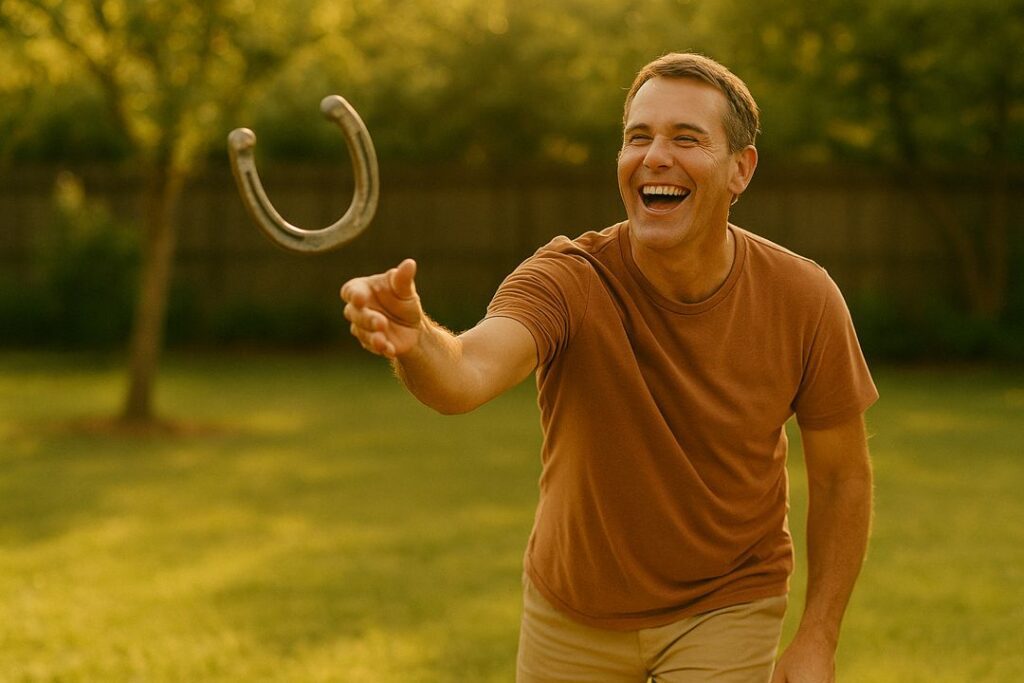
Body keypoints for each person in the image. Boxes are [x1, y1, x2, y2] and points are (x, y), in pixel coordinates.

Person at [341, 52, 877, 683]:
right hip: (572, 608)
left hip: (726, 600)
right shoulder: (568, 279)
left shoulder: (804, 298)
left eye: (686, 138)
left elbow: (842, 477)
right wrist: (416, 341)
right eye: (637, 137)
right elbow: (465, 374)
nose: (654, 156)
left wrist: (817, 635)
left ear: (741, 169)